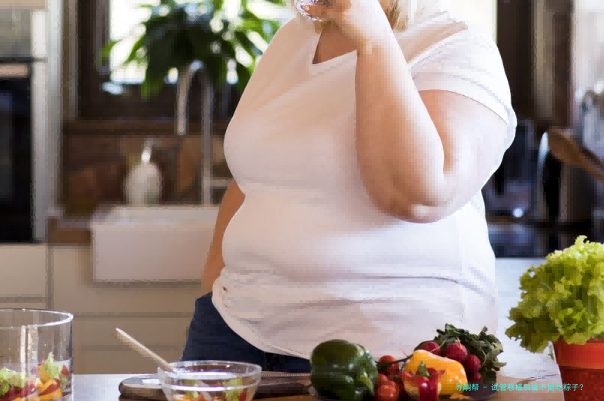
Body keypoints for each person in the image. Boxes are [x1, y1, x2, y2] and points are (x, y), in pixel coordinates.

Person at [181, 0, 517, 373]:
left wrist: (372, 40)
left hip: (386, 354)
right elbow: (253, 177)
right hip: (233, 328)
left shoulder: (455, 44)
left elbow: (417, 196)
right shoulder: (292, 39)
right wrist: (211, 298)